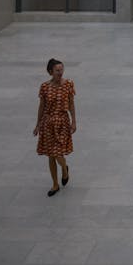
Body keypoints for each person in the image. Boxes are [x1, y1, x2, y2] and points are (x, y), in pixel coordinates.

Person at [33, 58, 76, 196]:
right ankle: (55, 184)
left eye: (61, 69)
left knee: (57, 153)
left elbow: (71, 104)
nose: (60, 72)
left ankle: (64, 169)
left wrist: (74, 121)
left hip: (62, 122)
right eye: (57, 70)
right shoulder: (45, 87)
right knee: (51, 155)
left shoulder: (68, 84)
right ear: (50, 71)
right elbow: (41, 106)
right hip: (48, 123)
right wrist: (37, 124)